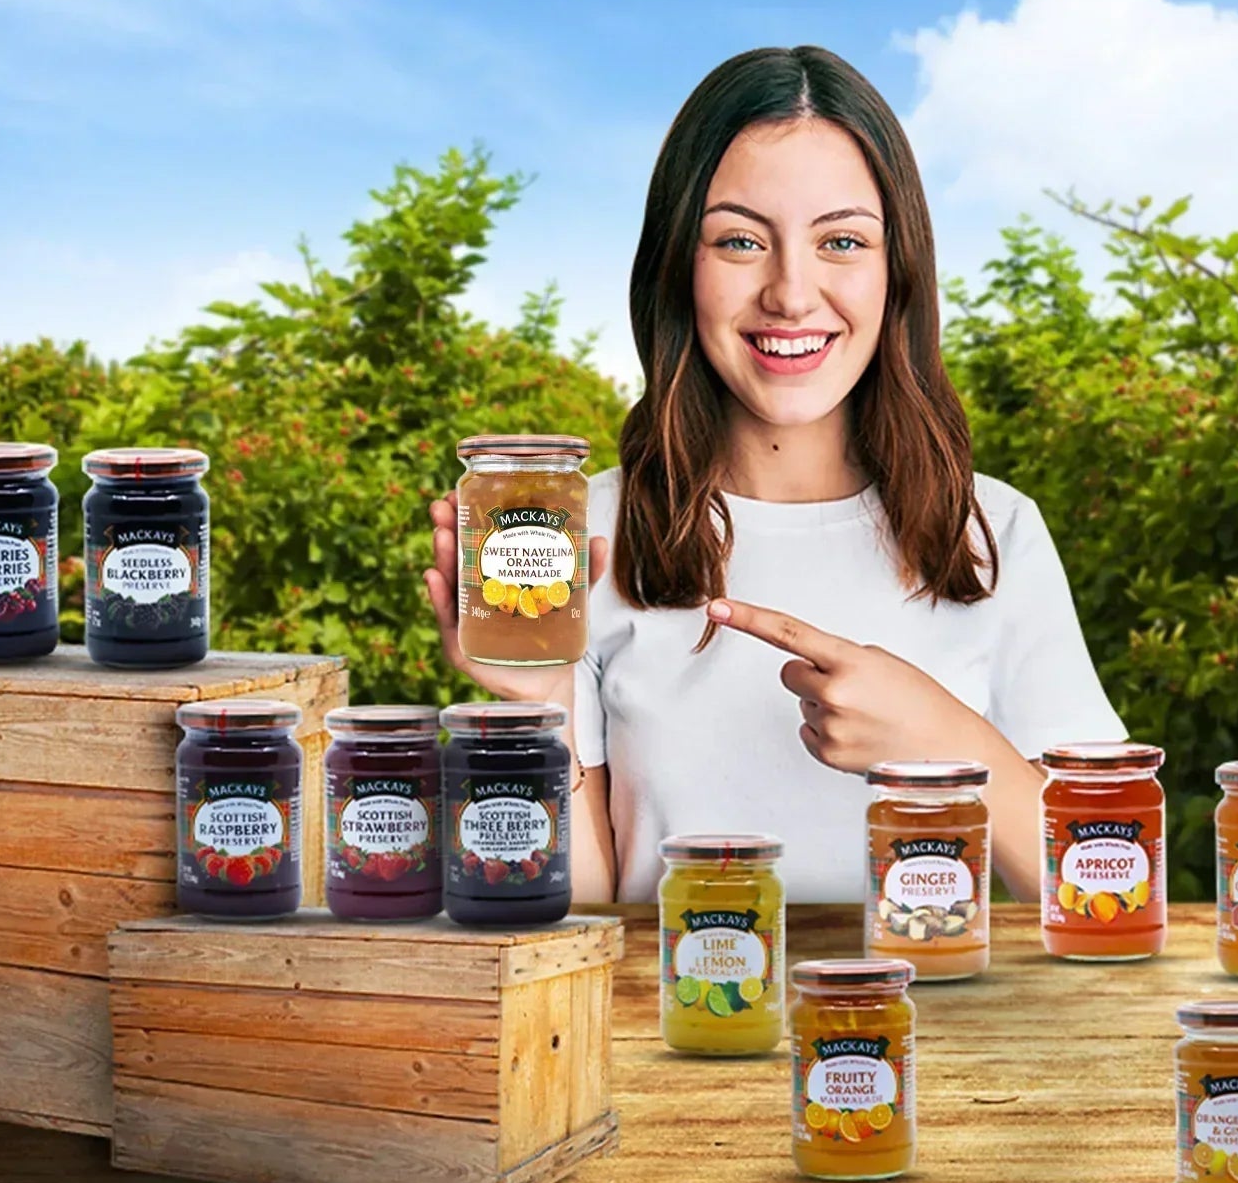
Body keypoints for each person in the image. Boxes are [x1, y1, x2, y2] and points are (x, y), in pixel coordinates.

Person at [426, 45, 1123, 902]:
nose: (792, 294)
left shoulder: (994, 532)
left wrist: (941, 737)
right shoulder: (586, 536)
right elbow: (591, 927)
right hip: (675, 1033)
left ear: (897, 268)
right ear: (678, 267)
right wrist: (541, 704)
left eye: (841, 241)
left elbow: (1109, 890)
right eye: (741, 240)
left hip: (941, 1033)